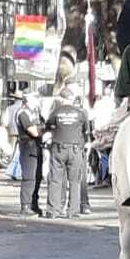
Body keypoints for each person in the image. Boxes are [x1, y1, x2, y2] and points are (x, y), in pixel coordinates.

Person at [45, 87, 89, 218]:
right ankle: (73, 212)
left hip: (58, 148)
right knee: (75, 181)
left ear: (61, 99)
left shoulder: (56, 112)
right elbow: (86, 130)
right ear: (72, 98)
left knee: (55, 180)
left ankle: (53, 211)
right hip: (75, 149)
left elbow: (48, 125)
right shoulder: (80, 113)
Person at [15, 94, 48, 217]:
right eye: (36, 100)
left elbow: (42, 127)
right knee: (29, 177)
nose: (38, 102)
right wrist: (43, 129)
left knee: (38, 177)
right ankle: (25, 205)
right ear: (28, 101)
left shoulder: (35, 113)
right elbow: (33, 131)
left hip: (37, 146)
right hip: (28, 146)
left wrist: (43, 128)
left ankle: (34, 203)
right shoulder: (23, 113)